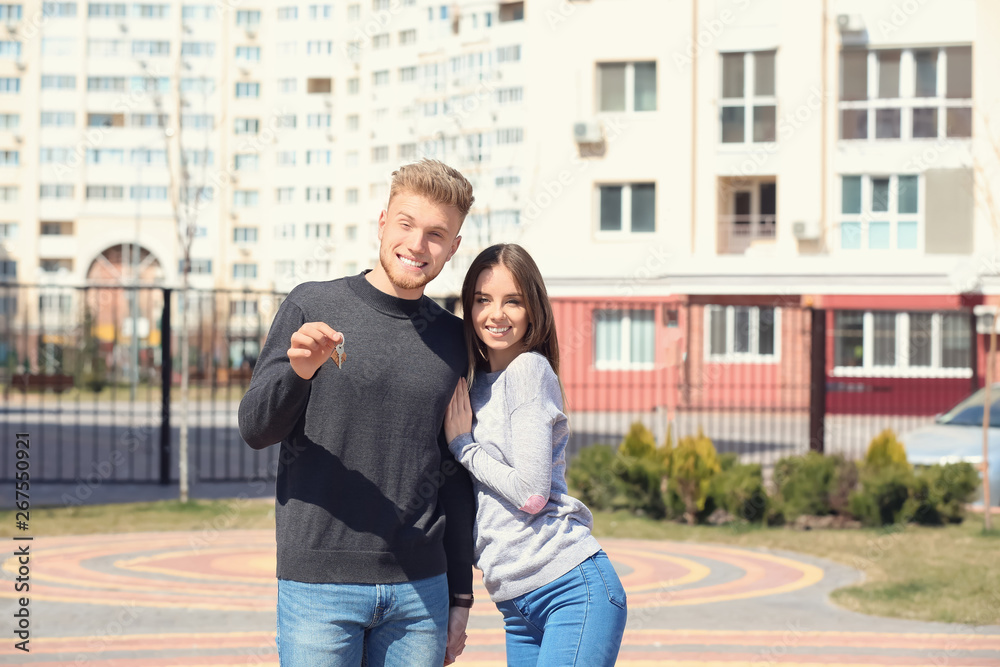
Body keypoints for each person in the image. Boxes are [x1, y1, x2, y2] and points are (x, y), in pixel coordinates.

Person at [239, 159, 478, 666]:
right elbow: (256, 428)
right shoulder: (312, 305)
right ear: (382, 222)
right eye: (407, 224)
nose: (417, 245)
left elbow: (455, 476)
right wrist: (297, 374)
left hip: (421, 592)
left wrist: (460, 594)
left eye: (437, 234)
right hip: (318, 585)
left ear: (454, 247)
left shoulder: (455, 339)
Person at [443, 243, 628, 666]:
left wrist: (463, 447)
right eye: (483, 300)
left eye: (514, 301)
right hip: (516, 604)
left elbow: (530, 494)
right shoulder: (477, 389)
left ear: (533, 311)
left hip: (568, 589)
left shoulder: (528, 371)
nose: (496, 314)